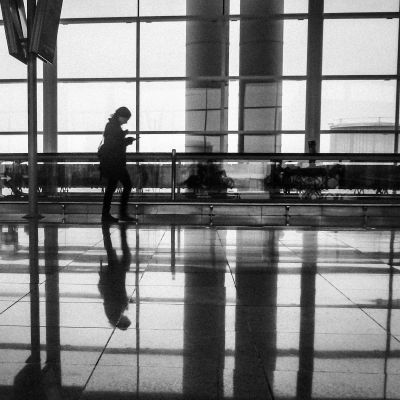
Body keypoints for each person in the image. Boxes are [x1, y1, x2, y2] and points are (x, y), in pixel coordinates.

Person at [99, 106, 137, 223]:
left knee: (111, 188)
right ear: (120, 116)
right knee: (127, 185)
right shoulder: (113, 127)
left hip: (112, 162)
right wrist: (126, 141)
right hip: (115, 163)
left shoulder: (112, 126)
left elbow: (113, 141)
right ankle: (121, 213)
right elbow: (114, 145)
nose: (126, 121)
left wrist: (123, 136)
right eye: (126, 118)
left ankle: (107, 214)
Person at [98, 223, 132, 330]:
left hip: (113, 276)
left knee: (115, 252)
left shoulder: (114, 314)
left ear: (122, 321)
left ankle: (109, 230)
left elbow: (112, 296)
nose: (126, 316)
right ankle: (117, 231)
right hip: (116, 276)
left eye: (126, 318)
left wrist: (124, 301)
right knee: (115, 252)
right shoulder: (115, 315)